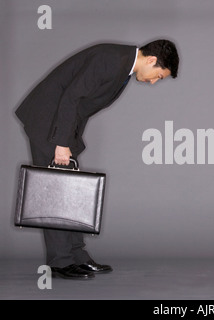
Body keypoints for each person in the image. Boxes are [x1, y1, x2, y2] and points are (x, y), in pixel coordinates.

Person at [15, 39, 179, 280]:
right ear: (152, 60)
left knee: (70, 192)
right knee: (57, 193)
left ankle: (76, 256)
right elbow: (71, 97)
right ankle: (60, 262)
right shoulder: (111, 60)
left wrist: (71, 140)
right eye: (159, 76)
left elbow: (81, 104)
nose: (154, 82)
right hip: (48, 122)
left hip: (62, 125)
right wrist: (62, 143)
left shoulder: (123, 64)